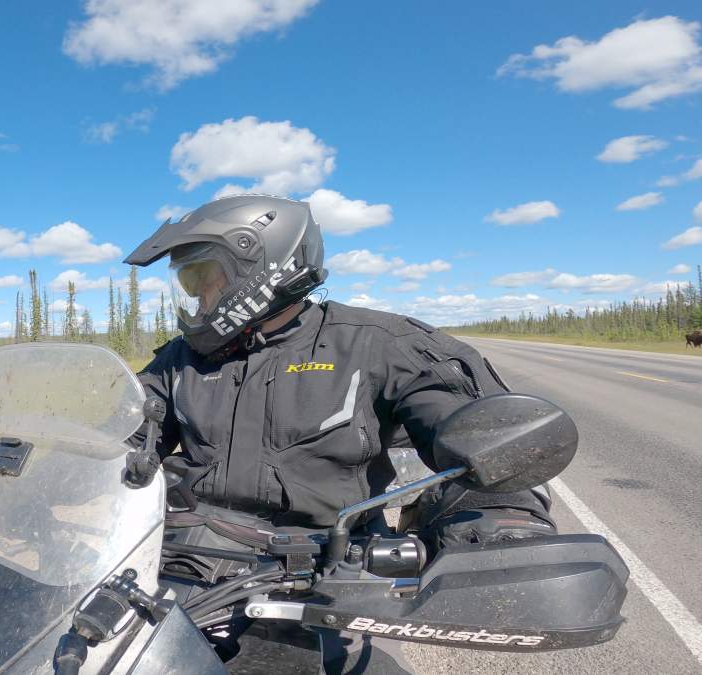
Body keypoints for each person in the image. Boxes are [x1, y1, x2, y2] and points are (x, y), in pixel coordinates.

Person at [124, 194, 556, 674]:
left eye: (205, 279)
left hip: (317, 574)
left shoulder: (380, 346)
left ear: (261, 265)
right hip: (181, 558)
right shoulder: (179, 360)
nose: (198, 297)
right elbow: (125, 430)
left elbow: (476, 437)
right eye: (190, 283)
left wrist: (499, 521)